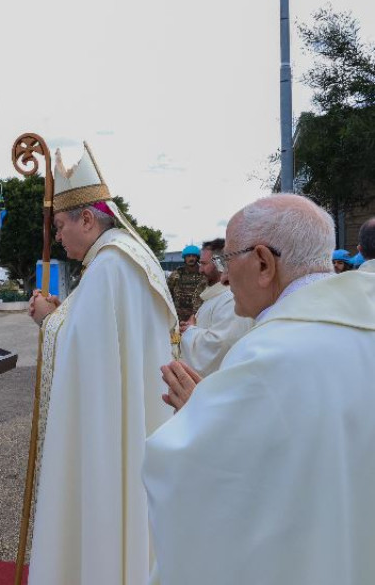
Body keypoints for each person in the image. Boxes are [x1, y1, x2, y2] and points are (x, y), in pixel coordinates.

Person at [144, 194, 375, 585]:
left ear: (264, 263)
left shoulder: (267, 354)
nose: (226, 276)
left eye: (227, 260)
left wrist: (198, 424)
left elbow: (216, 487)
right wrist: (215, 413)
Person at [24, 143, 178, 585]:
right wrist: (61, 318)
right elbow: (96, 335)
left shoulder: (109, 265)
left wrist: (48, 319)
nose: (56, 238)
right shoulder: (128, 257)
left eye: (59, 226)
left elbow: (85, 350)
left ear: (87, 219)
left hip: (112, 432)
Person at [178, 238, 253, 376]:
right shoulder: (217, 295)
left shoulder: (231, 299)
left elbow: (220, 346)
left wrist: (190, 330)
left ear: (220, 264)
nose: (199, 269)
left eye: (204, 264)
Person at [167, 245, 206, 323]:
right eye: (188, 256)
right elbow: (167, 293)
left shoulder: (204, 275)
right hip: (178, 317)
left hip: (198, 316)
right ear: (184, 258)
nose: (191, 258)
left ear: (197, 258)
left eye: (193, 256)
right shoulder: (176, 275)